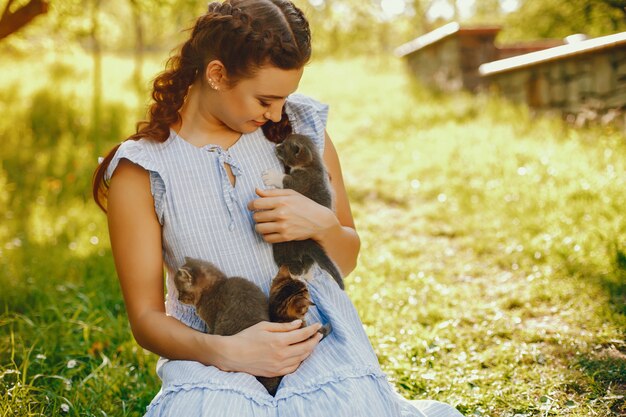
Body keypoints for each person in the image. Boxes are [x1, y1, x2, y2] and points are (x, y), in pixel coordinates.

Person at [93, 1, 464, 416]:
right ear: (216, 74)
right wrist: (228, 352)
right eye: (265, 99)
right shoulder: (143, 170)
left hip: (313, 344)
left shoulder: (300, 133)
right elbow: (145, 319)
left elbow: (347, 258)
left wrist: (322, 225)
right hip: (212, 353)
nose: (277, 113)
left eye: (284, 98)